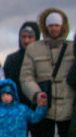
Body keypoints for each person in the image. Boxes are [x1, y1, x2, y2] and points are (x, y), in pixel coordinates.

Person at [20, 9, 73, 137]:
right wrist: (36, 94)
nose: (53, 28)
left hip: (69, 107)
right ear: (45, 26)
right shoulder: (33, 49)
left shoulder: (73, 47)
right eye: (50, 25)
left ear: (62, 26)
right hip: (43, 109)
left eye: (56, 25)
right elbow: (26, 77)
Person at [6, 23, 42, 106]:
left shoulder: (41, 59)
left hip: (37, 106)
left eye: (30, 37)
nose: (26, 41)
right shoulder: (11, 59)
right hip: (16, 107)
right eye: (23, 37)